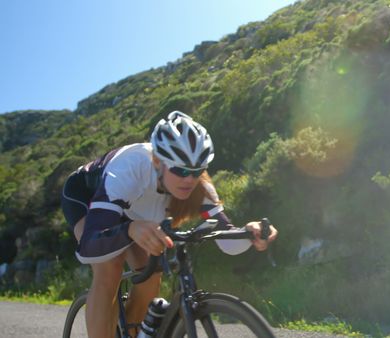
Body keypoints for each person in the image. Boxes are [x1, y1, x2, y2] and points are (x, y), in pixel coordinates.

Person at [61, 111, 277, 338]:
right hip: (88, 198)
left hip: (134, 211)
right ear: (157, 161)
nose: (189, 179)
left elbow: (226, 238)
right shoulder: (130, 168)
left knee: (152, 272)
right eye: (181, 170)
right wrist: (130, 229)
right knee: (109, 268)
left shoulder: (199, 186)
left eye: (196, 170)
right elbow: (89, 246)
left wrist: (248, 233)